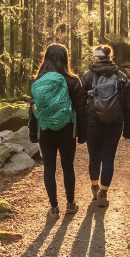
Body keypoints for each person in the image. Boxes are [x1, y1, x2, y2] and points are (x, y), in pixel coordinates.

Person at [29, 43, 88, 217]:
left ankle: (54, 208)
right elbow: (81, 110)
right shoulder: (73, 80)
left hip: (45, 130)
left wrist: (33, 133)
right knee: (68, 166)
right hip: (67, 130)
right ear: (65, 58)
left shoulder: (38, 81)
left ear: (45, 58)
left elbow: (33, 110)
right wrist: (82, 134)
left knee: (49, 167)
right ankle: (70, 204)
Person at [81, 45, 130, 207]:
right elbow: (127, 106)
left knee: (94, 157)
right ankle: (103, 194)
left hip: (92, 123)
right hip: (114, 124)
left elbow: (80, 104)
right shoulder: (122, 77)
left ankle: (94, 186)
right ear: (110, 57)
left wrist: (80, 128)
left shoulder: (88, 77)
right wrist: (128, 129)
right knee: (109, 157)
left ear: (95, 57)